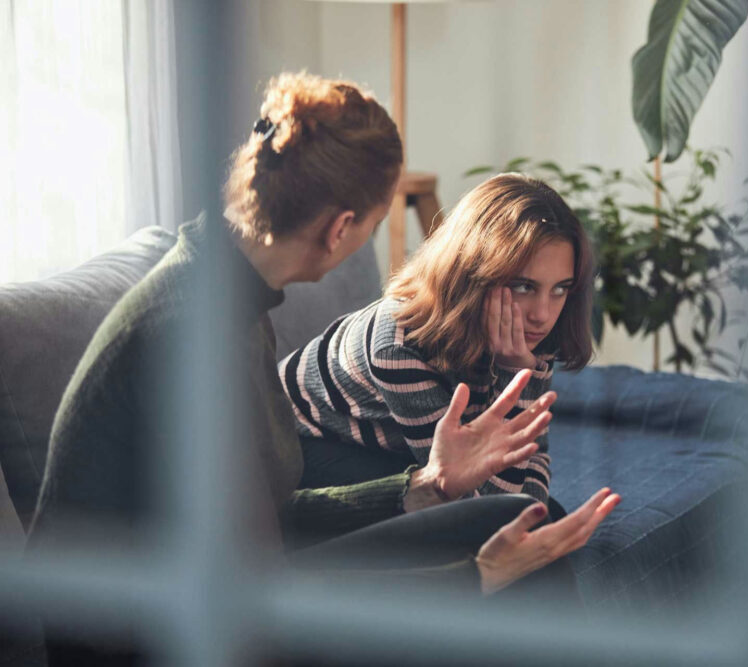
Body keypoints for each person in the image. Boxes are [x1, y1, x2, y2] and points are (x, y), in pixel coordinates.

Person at [28, 72, 618, 665]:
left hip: (217, 582)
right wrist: (474, 576)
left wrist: (427, 485)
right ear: (342, 229)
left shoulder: (228, 298)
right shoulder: (191, 339)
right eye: (375, 221)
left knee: (519, 519)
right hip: (148, 633)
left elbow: (273, 518)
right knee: (513, 566)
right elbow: (253, 592)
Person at [281, 174, 593, 516]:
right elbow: (476, 501)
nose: (543, 314)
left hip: (402, 449)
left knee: (546, 518)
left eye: (560, 288)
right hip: (300, 448)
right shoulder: (399, 344)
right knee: (489, 521)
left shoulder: (531, 331)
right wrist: (515, 374)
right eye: (524, 286)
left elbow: (530, 460)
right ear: (475, 273)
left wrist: (530, 516)